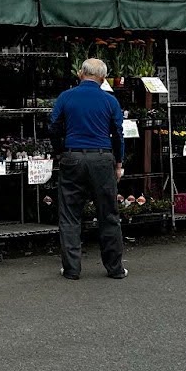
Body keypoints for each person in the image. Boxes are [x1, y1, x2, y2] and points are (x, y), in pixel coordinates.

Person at [47, 57, 128, 280]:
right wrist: (119, 163)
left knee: (70, 214)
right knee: (108, 214)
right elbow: (118, 134)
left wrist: (60, 151)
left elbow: (53, 126)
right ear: (102, 79)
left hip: (72, 156)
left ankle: (72, 269)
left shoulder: (66, 97)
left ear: (80, 74)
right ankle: (115, 269)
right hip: (102, 158)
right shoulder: (110, 101)